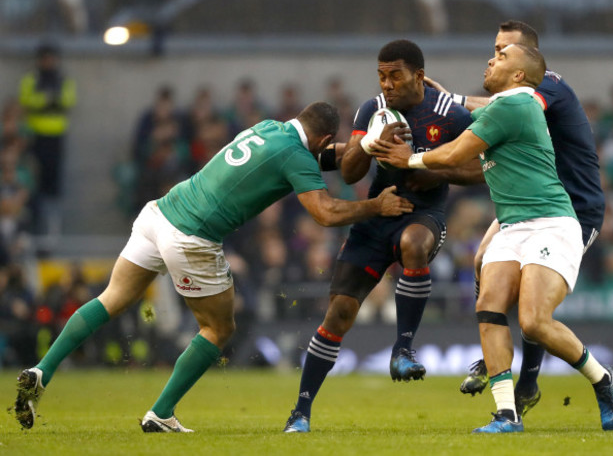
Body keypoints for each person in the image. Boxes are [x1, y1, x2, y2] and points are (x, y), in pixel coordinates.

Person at [14, 101, 414, 433]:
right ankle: (161, 413)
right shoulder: (296, 156)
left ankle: (42, 370)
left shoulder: (271, 128)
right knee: (220, 328)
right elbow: (325, 213)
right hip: (192, 236)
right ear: (324, 136)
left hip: (160, 213)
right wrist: (375, 206)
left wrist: (367, 145)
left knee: (113, 298)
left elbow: (327, 153)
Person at [371, 43, 613, 433]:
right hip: (511, 226)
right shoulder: (505, 107)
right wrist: (445, 97)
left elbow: (455, 152)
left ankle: (603, 379)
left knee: (534, 322)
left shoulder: (515, 106)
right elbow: (475, 108)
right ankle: (507, 414)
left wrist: (410, 159)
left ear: (520, 75)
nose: (491, 59)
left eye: (502, 57)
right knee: (488, 308)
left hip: (551, 223)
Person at [284, 39, 479, 433]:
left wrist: (431, 170)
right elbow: (352, 173)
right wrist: (370, 144)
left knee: (414, 245)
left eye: (395, 75)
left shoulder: (451, 115)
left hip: (423, 213)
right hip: (376, 216)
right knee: (338, 313)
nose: (386, 84)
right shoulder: (373, 110)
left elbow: (481, 168)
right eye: (381, 76)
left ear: (418, 76)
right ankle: (300, 412)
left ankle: (403, 349)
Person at [428, 20, 607, 418]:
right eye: (494, 48)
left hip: (574, 208)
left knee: (534, 305)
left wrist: (452, 101)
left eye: (503, 50)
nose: (494, 57)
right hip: (527, 204)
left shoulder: (547, 89)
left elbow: (499, 108)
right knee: (481, 263)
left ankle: (528, 380)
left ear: (526, 58)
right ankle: (496, 361)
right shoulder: (517, 94)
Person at [19, 42, 76, 243]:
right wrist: (47, 100)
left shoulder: (62, 80)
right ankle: (35, 219)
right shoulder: (31, 79)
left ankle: (51, 224)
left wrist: (46, 100)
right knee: (36, 177)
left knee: (54, 177)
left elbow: (68, 100)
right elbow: (27, 100)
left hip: (56, 135)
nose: (49, 62)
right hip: (36, 136)